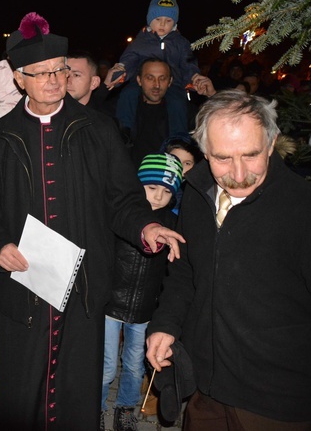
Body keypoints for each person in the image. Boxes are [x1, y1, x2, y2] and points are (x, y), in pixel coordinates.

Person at [0, 11, 184, 430]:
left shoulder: (98, 131)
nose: (54, 80)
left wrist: (147, 226)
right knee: (23, 391)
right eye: (41, 73)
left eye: (60, 71)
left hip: (83, 286)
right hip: (24, 285)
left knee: (77, 393)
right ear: (18, 78)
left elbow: (122, 199)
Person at [146, 89, 311, 430]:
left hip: (277, 403)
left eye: (251, 155)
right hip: (206, 389)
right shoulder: (196, 193)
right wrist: (166, 324)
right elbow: (185, 271)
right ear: (204, 151)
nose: (238, 174)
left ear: (271, 143)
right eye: (222, 158)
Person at [101, 152, 182, 431]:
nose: (158, 197)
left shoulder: (173, 225)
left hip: (145, 310)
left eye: (166, 191)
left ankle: (125, 409)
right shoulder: (123, 215)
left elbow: (175, 273)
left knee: (135, 366)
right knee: (107, 365)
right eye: (151, 188)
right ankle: (96, 407)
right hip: (112, 305)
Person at [108, 0, 203, 139]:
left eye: (168, 20)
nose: (163, 24)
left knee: (177, 102)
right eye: (158, 20)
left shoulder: (181, 43)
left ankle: (178, 138)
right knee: (128, 95)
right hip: (141, 83)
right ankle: (124, 129)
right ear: (149, 20)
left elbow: (188, 62)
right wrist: (121, 69)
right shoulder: (141, 41)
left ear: (175, 22)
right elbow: (130, 57)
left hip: (173, 83)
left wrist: (193, 76)